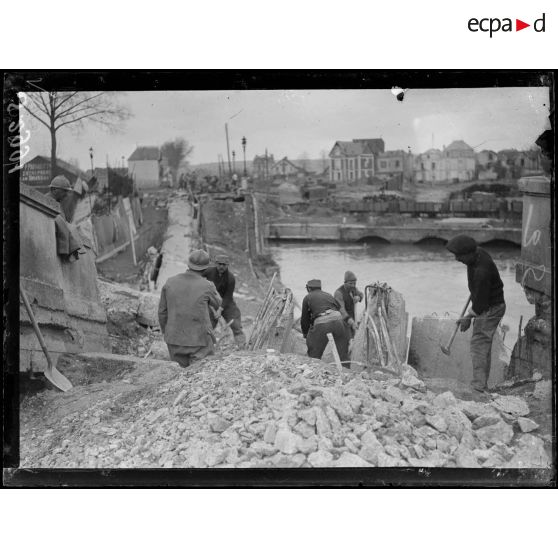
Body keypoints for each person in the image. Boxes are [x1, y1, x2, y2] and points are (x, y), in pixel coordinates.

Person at [446, 234, 506, 393]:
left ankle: (478, 387)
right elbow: (479, 296)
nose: (457, 259)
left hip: (491, 308)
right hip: (488, 303)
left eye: (459, 256)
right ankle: (482, 384)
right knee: (482, 345)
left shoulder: (481, 272)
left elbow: (480, 304)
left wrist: (467, 318)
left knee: (479, 345)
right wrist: (475, 291)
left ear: (470, 253)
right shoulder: (478, 253)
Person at [158, 249, 222, 368]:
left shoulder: (170, 282)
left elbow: (162, 312)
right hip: (199, 341)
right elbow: (218, 303)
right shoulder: (207, 286)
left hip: (174, 340)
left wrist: (166, 332)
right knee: (198, 377)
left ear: (188, 264)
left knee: (179, 377)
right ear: (206, 268)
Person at [301, 279, 350, 368]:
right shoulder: (328, 295)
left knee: (314, 350)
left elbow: (304, 319)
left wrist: (305, 334)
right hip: (338, 321)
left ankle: (314, 367)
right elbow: (338, 308)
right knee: (342, 350)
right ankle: (347, 370)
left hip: (322, 323)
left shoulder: (307, 297)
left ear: (309, 289)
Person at [203, 253, 246, 348]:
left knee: (235, 324)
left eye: (224, 265)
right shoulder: (208, 271)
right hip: (211, 301)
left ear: (227, 265)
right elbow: (197, 278)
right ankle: (205, 347)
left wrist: (220, 309)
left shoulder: (230, 278)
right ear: (215, 263)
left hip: (226, 302)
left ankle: (242, 345)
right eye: (219, 264)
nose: (221, 266)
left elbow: (228, 296)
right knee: (208, 325)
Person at [334, 270, 364, 339]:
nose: (353, 285)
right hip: (342, 322)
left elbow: (361, 294)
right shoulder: (339, 293)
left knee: (353, 339)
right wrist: (352, 323)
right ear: (345, 282)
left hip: (352, 320)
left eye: (354, 283)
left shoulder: (354, 289)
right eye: (350, 283)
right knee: (346, 341)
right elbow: (341, 311)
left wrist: (358, 297)